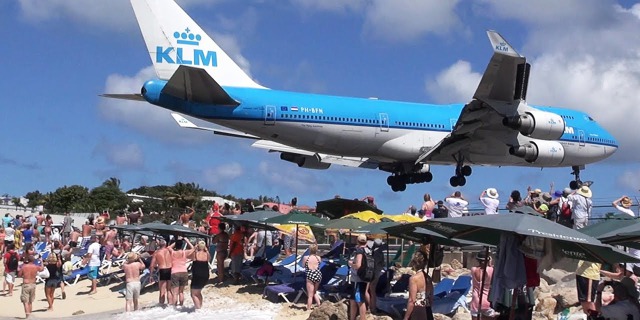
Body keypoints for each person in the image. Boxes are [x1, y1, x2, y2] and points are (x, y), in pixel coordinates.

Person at [403, 251, 434, 320]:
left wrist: (406, 317)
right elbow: (431, 298)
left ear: (414, 263)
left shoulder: (413, 279)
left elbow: (412, 301)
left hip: (418, 311)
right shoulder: (428, 278)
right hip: (427, 310)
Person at [348, 234, 369, 320]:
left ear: (357, 241)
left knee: (360, 301)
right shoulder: (368, 250)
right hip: (364, 277)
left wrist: (350, 264)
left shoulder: (360, 251)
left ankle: (362, 318)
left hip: (358, 278)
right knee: (353, 300)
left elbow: (358, 265)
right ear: (366, 241)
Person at [470, 251, 497, 317]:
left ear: (477, 260)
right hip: (487, 299)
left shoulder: (473, 269)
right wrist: (490, 263)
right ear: (488, 259)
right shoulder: (491, 270)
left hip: (475, 299)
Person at [169, 237, 194, 306]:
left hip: (175, 272)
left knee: (175, 293)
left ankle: (174, 308)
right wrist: (187, 240)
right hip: (184, 272)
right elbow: (193, 248)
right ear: (182, 245)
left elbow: (168, 247)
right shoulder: (184, 252)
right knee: (181, 292)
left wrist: (177, 241)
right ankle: (181, 306)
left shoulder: (173, 252)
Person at [149, 238, 172, 305]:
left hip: (162, 270)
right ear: (165, 244)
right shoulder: (169, 251)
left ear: (159, 245)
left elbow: (152, 265)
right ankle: (170, 306)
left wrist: (151, 275)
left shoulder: (156, 253)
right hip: (170, 269)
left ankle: (161, 306)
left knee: (162, 291)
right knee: (169, 290)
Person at [190, 240, 210, 309]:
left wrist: (194, 249)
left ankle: (198, 308)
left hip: (197, 275)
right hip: (205, 275)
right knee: (198, 292)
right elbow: (209, 259)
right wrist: (206, 250)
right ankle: (200, 307)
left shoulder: (196, 254)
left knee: (193, 294)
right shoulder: (207, 254)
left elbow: (189, 256)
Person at [302, 244, 322, 311]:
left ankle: (308, 309)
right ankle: (319, 305)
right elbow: (319, 265)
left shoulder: (306, 258)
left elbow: (303, 266)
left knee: (310, 295)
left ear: (309, 250)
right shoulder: (318, 258)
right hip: (318, 274)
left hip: (310, 274)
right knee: (314, 292)